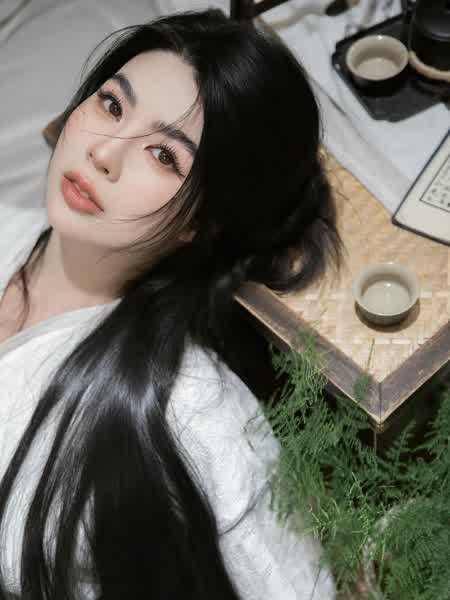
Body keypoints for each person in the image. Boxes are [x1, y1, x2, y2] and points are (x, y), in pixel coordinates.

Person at [0, 8, 342, 600]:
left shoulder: (193, 415)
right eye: (112, 105)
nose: (104, 153)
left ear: (200, 223)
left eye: (164, 155)